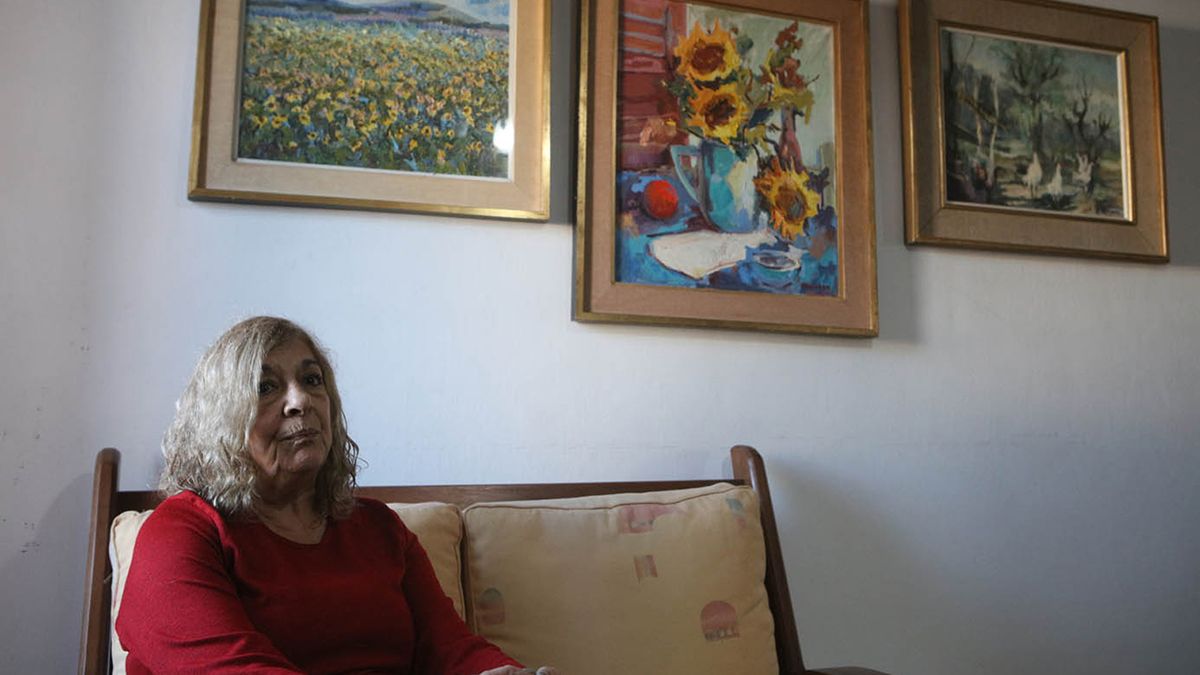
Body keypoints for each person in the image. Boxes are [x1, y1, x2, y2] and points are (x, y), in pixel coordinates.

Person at [117, 316, 555, 675]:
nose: (300, 401)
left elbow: (451, 649)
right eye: (266, 387)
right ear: (221, 420)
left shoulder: (378, 528)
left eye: (312, 380)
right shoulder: (181, 531)